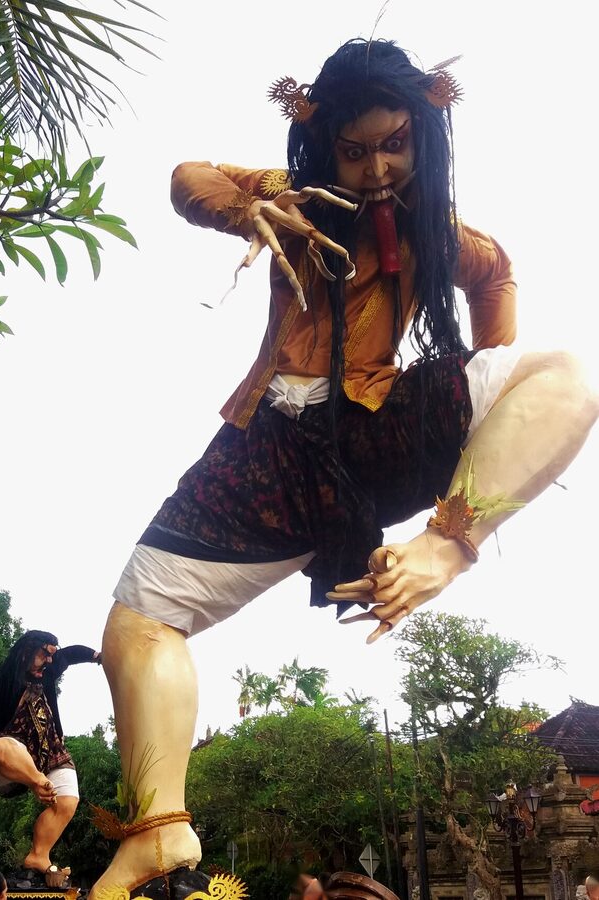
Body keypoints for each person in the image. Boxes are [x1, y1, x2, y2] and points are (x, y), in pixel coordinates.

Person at [89, 38, 599, 900]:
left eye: (394, 144)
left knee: (569, 373)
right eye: (355, 150)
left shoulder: (439, 232)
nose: (376, 168)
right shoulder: (293, 193)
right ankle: (159, 831)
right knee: (135, 626)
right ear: (323, 141)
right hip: (265, 447)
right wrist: (251, 208)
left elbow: (498, 275)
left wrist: (479, 405)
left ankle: (445, 547)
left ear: (422, 133)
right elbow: (186, 178)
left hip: (374, 426)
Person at [0, 631, 102, 883]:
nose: (49, 661)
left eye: (51, 656)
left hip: (49, 751)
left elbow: (69, 654)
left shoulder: (48, 671)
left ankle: (39, 855)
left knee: (68, 800)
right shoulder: (1, 676)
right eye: (44, 654)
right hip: (9, 755)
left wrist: (98, 656)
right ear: (27, 650)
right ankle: (38, 781)